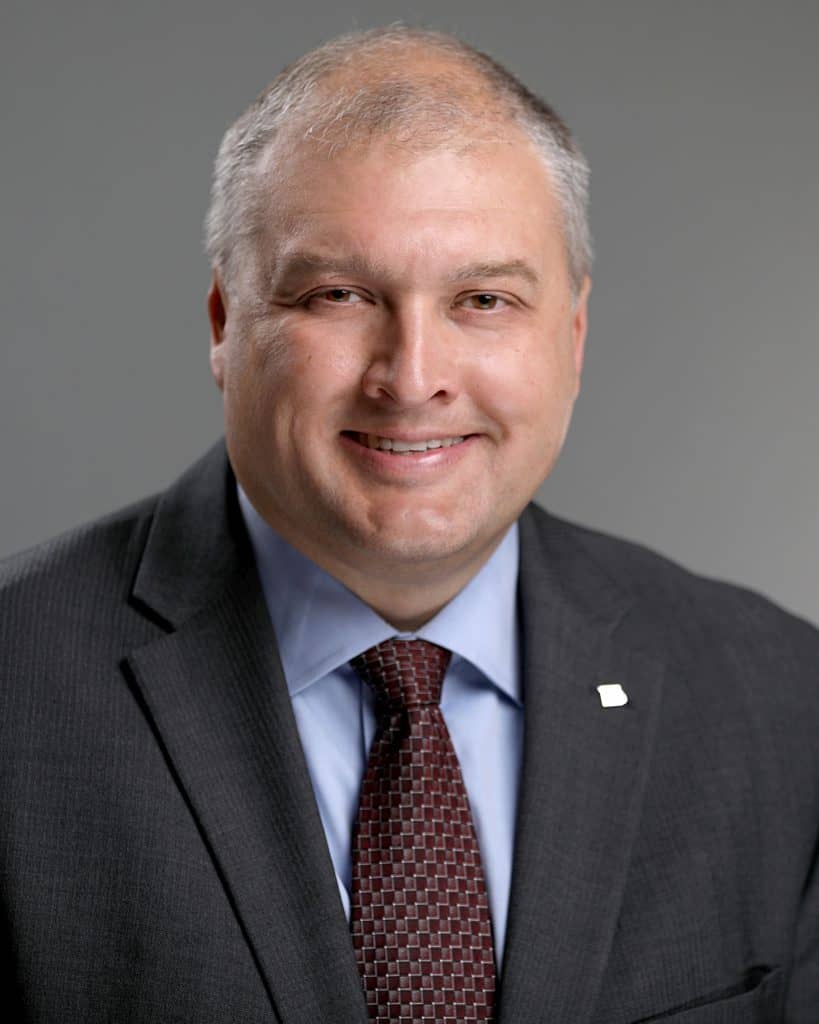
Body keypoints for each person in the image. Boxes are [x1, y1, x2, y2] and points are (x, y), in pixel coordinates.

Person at [1, 25, 817, 1024]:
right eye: (339, 294)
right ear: (225, 324)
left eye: (484, 298)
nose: (412, 376)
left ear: (573, 334)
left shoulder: (781, 707)